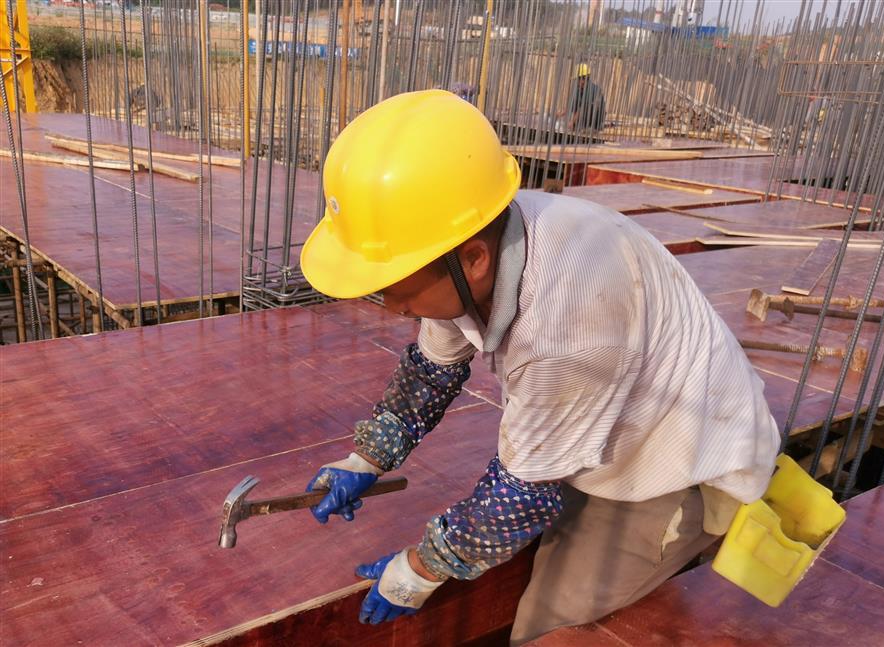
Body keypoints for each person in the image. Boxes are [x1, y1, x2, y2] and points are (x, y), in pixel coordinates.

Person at [299, 89, 779, 645]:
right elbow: (432, 369)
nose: (392, 308)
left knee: (549, 625)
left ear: (473, 260)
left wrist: (420, 568)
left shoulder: (567, 323)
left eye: (398, 289)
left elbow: (521, 496)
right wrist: (368, 457)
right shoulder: (469, 239)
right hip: (606, 425)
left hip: (679, 462)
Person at [560, 63, 606, 138]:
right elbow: (572, 106)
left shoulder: (592, 90)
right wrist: (557, 115)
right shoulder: (579, 89)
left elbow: (582, 108)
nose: (576, 81)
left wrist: (572, 122)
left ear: (583, 79)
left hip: (595, 120)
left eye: (577, 79)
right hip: (584, 119)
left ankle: (592, 129)